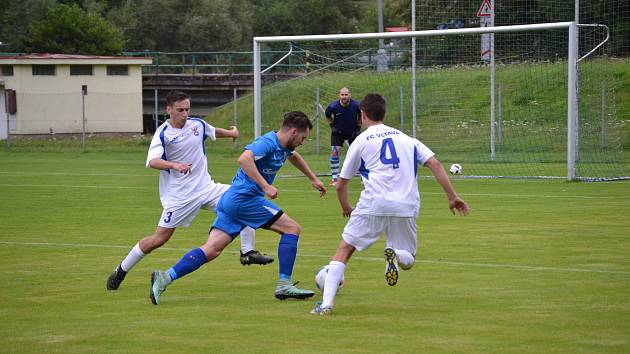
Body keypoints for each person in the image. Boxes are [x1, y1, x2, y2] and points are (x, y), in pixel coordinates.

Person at [310, 93, 470, 316]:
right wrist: (452, 196)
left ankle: (326, 305)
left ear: (362, 115)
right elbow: (434, 163)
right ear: (384, 114)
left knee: (345, 250)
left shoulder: (361, 141)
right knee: (408, 260)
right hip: (405, 205)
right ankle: (395, 253)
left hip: (373, 203)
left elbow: (341, 184)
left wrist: (346, 207)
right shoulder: (408, 140)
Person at [149, 111, 327, 305]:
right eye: (303, 137)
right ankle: (284, 284)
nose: (302, 141)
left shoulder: (284, 146)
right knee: (292, 228)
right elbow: (244, 159)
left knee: (211, 250)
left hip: (231, 200)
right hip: (244, 199)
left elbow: (293, 156)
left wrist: (313, 178)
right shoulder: (268, 142)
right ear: (293, 132)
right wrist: (265, 186)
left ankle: (165, 277)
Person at [107, 90, 273, 291]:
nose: (185, 114)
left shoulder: (197, 125)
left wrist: (232, 133)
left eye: (187, 109)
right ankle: (121, 270)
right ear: (169, 110)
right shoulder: (163, 134)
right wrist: (174, 165)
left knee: (243, 199)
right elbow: (152, 161)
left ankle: (248, 252)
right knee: (159, 239)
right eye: (180, 110)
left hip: (206, 188)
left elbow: (212, 131)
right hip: (180, 197)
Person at [325, 87, 361, 186]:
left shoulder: (356, 105)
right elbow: (327, 115)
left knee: (359, 154)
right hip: (338, 132)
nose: (344, 97)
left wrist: (358, 128)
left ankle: (363, 178)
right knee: (334, 153)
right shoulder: (333, 106)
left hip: (352, 132)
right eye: (342, 95)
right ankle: (334, 179)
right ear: (339, 95)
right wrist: (332, 126)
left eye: (346, 95)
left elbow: (361, 115)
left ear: (350, 95)